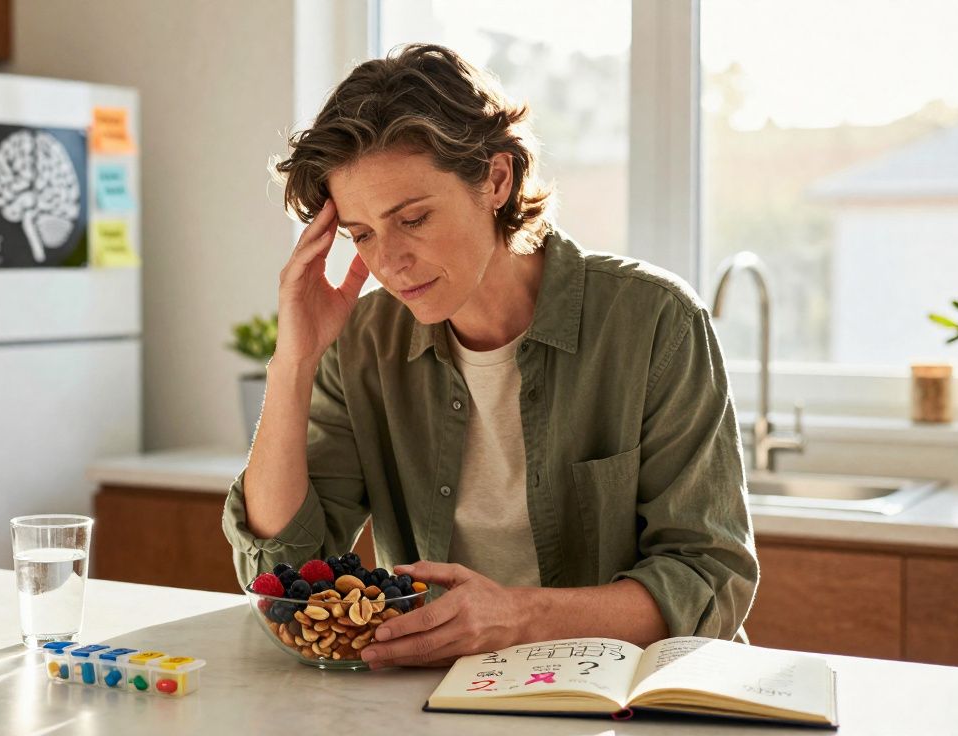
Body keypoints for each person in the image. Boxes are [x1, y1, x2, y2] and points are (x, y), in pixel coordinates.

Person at [221, 44, 757, 669]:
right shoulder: (365, 341)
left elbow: (709, 579)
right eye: (362, 234)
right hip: (441, 698)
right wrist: (294, 360)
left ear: (497, 180)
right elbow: (282, 571)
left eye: (413, 219)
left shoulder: (654, 322)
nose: (387, 263)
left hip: (632, 698)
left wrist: (515, 618)